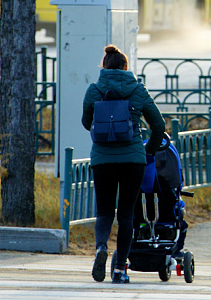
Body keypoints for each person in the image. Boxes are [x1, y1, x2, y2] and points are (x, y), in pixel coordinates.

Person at [81, 44, 166, 283]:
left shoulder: (94, 90)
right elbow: (158, 125)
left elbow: (87, 123)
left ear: (104, 66)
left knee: (104, 211)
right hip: (133, 160)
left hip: (102, 159)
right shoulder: (138, 90)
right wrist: (146, 152)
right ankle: (119, 270)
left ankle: (100, 248)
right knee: (127, 214)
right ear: (126, 67)